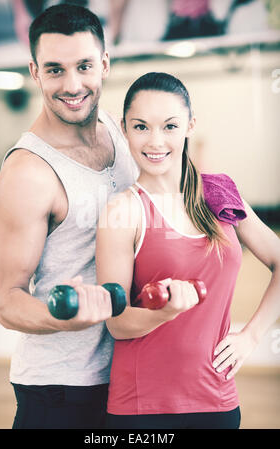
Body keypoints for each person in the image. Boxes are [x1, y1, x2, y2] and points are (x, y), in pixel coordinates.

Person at [96, 72, 280, 429]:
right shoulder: (123, 211)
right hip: (143, 408)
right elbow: (117, 323)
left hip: (218, 398)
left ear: (189, 125)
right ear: (124, 129)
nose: (155, 141)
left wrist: (252, 335)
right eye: (140, 127)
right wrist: (165, 313)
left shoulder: (220, 194)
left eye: (169, 126)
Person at [0, 4, 137, 429]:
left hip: (127, 374)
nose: (72, 85)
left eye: (84, 66)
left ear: (105, 65)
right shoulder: (28, 172)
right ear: (35, 72)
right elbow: (7, 301)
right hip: (60, 389)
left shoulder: (117, 129)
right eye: (55, 70)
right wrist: (63, 317)